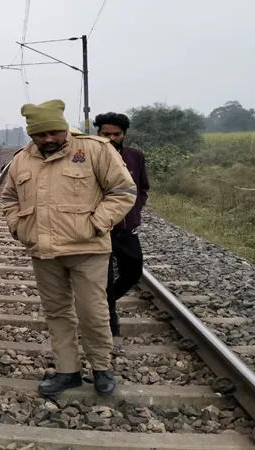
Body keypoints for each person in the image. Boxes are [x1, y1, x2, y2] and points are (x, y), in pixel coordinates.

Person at [2, 99, 136, 397]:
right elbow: (9, 198)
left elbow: (123, 190)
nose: (48, 139)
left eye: (53, 132)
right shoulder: (21, 159)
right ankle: (68, 371)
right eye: (40, 135)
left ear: (63, 128)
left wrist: (96, 224)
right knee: (57, 313)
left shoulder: (95, 149)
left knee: (93, 312)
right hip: (44, 252)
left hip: (87, 250)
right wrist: (19, 227)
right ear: (31, 135)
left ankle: (101, 368)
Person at [95, 112, 149, 352]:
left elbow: (143, 187)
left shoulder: (135, 156)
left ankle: (99, 307)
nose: (112, 138)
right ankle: (112, 328)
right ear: (98, 133)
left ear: (124, 134)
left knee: (133, 271)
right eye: (106, 134)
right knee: (104, 282)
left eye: (116, 134)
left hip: (126, 229)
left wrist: (135, 209)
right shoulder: (90, 155)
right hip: (101, 230)